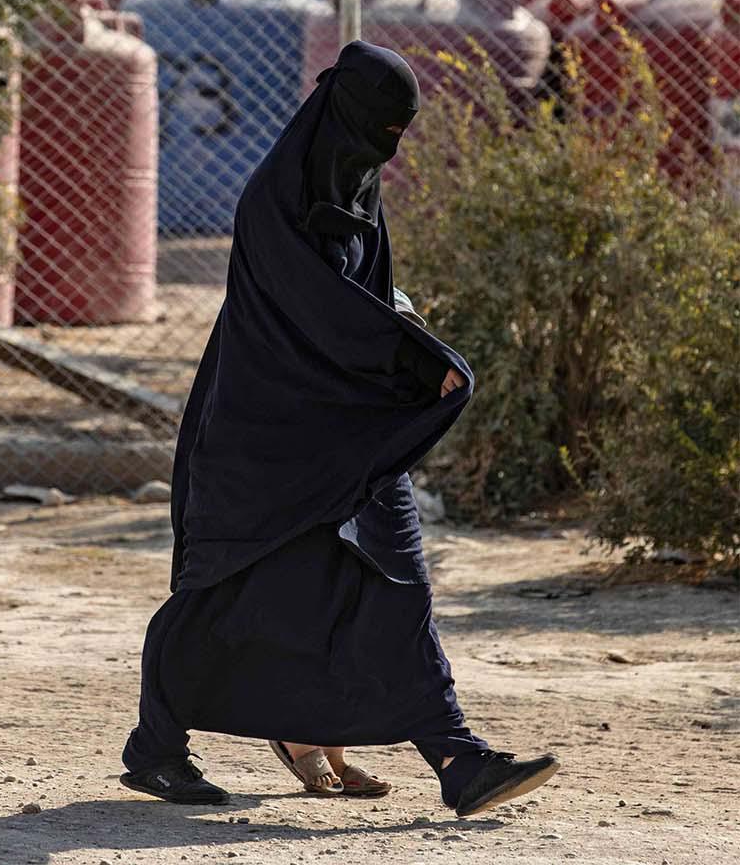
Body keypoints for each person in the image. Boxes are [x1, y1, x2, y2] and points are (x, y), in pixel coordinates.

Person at [119, 42, 560, 818]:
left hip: (349, 430)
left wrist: (406, 324)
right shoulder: (274, 202)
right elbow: (321, 311)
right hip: (265, 434)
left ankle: (456, 757)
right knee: (222, 592)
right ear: (345, 114)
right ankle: (157, 748)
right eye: (380, 127)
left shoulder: (357, 189)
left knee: (396, 577)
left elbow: (368, 289)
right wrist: (415, 359)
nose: (388, 146)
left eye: (401, 132)